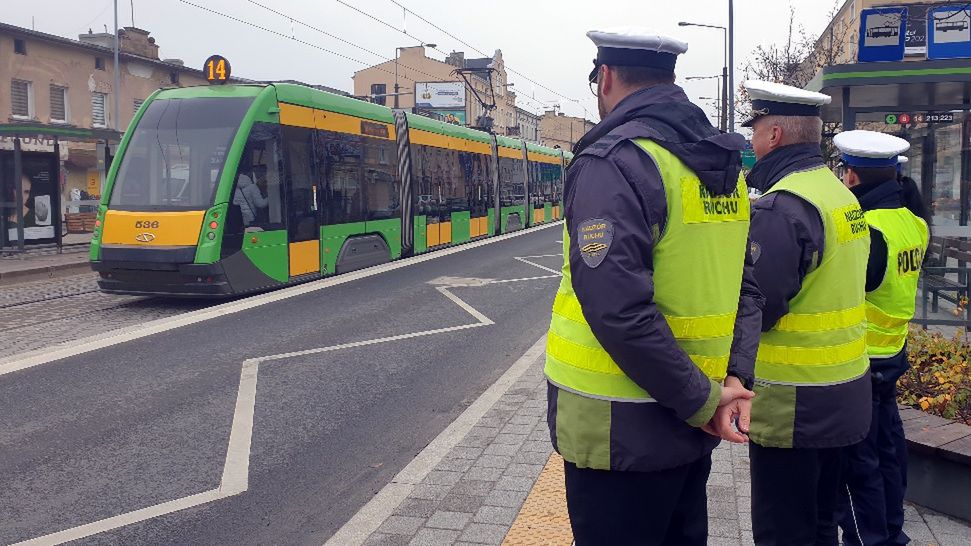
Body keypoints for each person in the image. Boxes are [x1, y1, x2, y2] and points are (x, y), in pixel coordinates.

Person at [545, 27, 763, 545]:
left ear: (607, 79)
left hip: (619, 435)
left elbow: (618, 310)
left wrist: (705, 402)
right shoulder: (723, 171)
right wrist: (730, 383)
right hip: (691, 429)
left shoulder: (615, 162)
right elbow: (746, 288)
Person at [743, 81, 872, 546]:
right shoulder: (840, 197)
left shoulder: (783, 207)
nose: (751, 141)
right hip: (843, 393)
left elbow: (760, 305)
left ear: (774, 135)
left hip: (794, 405)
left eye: (755, 129)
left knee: (784, 533)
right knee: (820, 525)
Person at [833, 131, 927, 546]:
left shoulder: (868, 229)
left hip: (862, 358)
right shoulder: (913, 221)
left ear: (851, 177)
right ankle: (892, 528)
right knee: (889, 449)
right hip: (893, 352)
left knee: (858, 463)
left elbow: (852, 287)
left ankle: (870, 538)